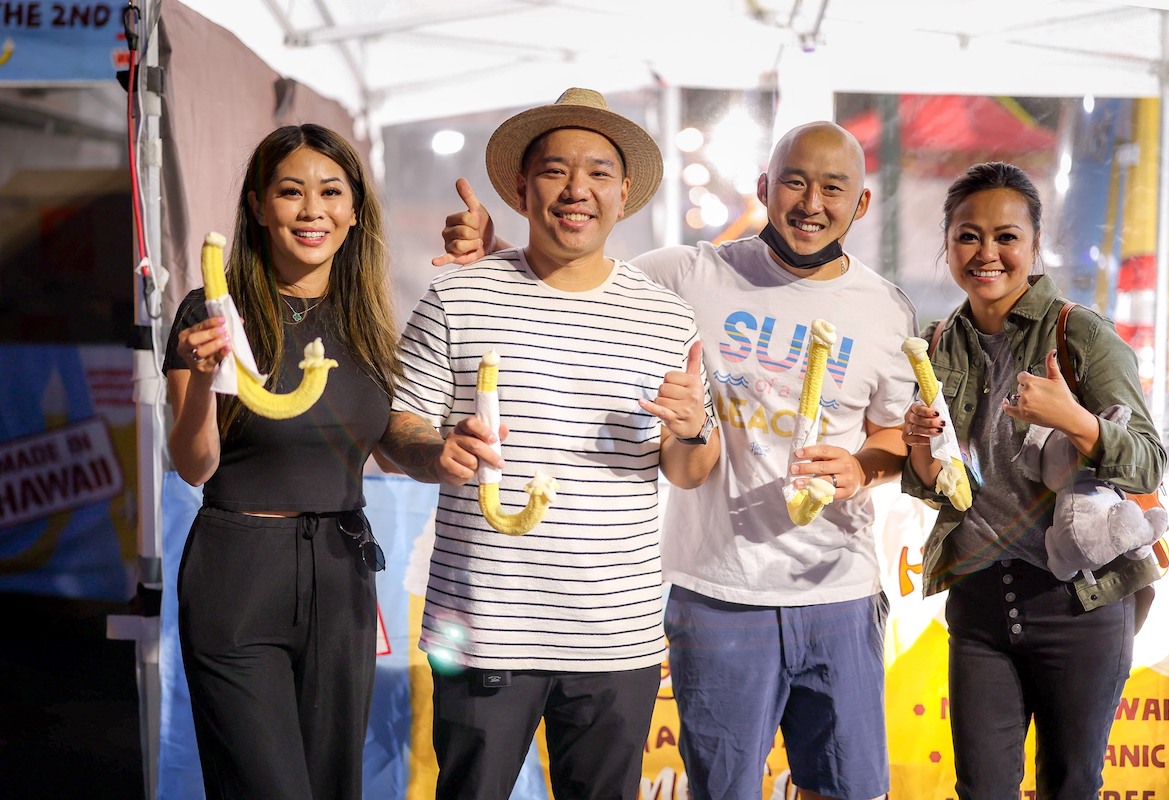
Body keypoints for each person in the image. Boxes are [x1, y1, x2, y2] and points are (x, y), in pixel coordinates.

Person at [438, 120, 915, 800]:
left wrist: (863, 468)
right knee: (721, 791)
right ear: (763, 190)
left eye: (833, 188)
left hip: (839, 590)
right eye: (795, 183)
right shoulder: (688, 275)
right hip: (719, 594)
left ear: (861, 204)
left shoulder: (885, 310)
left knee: (848, 790)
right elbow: (579, 281)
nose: (812, 202)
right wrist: (496, 255)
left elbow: (894, 437)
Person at [386, 88, 721, 800]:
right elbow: (397, 426)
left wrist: (691, 428)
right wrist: (434, 448)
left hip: (616, 632)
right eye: (555, 171)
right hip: (477, 629)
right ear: (521, 185)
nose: (578, 190)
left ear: (624, 192)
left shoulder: (666, 317)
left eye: (599, 172)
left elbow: (691, 469)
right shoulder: (458, 296)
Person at [900, 161, 1164, 800]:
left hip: (1080, 601)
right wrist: (917, 452)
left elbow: (1149, 459)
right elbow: (940, 484)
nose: (986, 253)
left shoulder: (1082, 334)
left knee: (1070, 785)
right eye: (968, 235)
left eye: (1006, 236)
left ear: (1034, 245)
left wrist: (1075, 420)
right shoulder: (937, 344)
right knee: (981, 788)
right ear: (947, 243)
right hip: (981, 600)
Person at [164, 123, 403, 799]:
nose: (311, 210)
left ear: (355, 210)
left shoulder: (369, 321)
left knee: (331, 786)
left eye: (331, 191)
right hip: (239, 569)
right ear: (256, 204)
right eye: (290, 191)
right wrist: (201, 383)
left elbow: (393, 439)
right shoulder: (214, 311)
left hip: (342, 567)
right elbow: (195, 464)